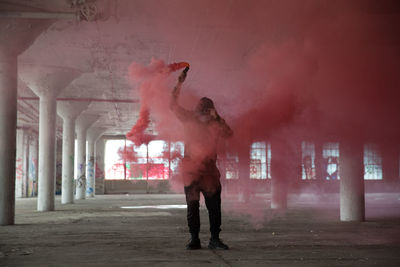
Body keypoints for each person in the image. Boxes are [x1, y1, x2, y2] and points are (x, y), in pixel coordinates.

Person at [170, 68, 233, 250]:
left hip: (210, 172)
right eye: (202, 112)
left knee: (213, 208)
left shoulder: (215, 122)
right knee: (193, 207)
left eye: (208, 112)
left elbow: (230, 134)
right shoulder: (189, 118)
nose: (204, 115)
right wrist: (179, 83)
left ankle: (213, 238)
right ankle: (195, 239)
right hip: (192, 171)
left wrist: (218, 118)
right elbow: (172, 105)